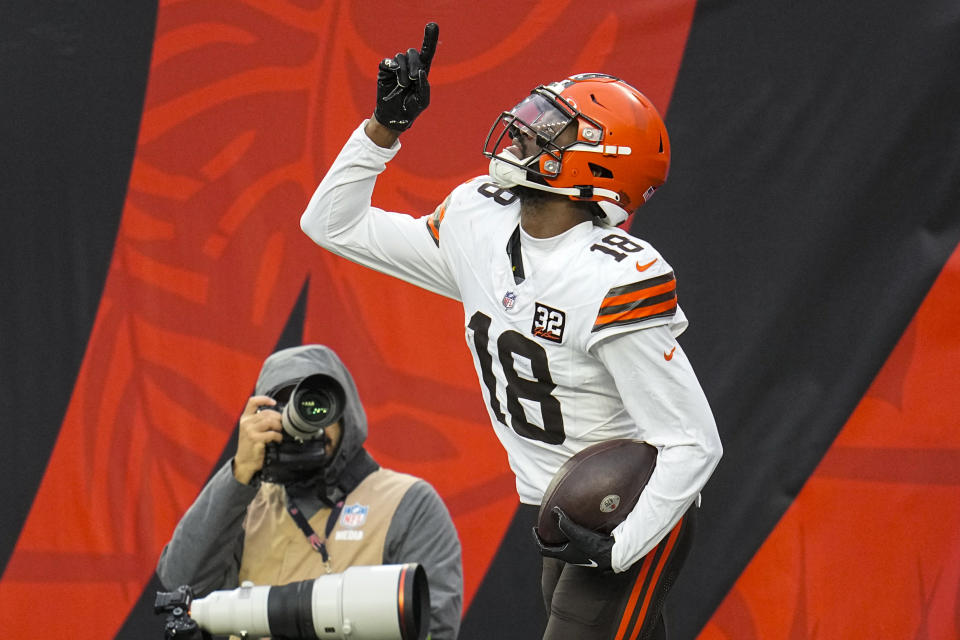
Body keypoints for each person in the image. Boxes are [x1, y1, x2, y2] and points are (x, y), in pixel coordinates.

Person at [299, 22, 722, 640]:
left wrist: (621, 547)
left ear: (596, 163)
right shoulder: (481, 221)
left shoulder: (608, 277)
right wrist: (383, 128)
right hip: (558, 507)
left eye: (550, 128)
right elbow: (332, 225)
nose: (524, 130)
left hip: (627, 510)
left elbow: (693, 443)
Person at [156, 344, 463, 640]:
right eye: (282, 408)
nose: (300, 423)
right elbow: (182, 588)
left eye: (316, 406)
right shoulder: (244, 507)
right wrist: (239, 472)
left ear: (344, 413)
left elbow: (433, 629)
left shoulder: (407, 503)